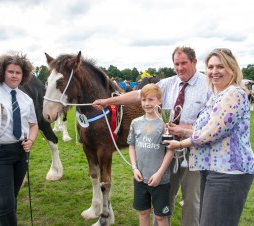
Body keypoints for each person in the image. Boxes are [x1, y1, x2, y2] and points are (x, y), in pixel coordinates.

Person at [93, 46, 211, 226]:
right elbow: (138, 94)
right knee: (164, 194)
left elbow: (212, 122)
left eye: (184, 63)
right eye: (176, 64)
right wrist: (108, 101)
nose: (179, 68)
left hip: (193, 148)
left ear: (194, 62)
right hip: (164, 147)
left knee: (191, 200)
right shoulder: (167, 83)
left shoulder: (208, 85)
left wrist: (186, 128)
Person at [165, 48, 254, 226]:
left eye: (220, 67)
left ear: (232, 68)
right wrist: (183, 131)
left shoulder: (233, 94)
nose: (214, 72)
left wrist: (180, 143)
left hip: (229, 172)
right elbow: (209, 128)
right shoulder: (218, 95)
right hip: (214, 169)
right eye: (211, 67)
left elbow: (210, 133)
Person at [0, 52, 39, 225]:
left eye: (18, 73)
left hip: (20, 153)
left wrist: (31, 140)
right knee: (4, 203)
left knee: (11, 199)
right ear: (2, 72)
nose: (14, 75)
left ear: (24, 75)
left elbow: (33, 125)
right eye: (10, 71)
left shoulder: (26, 99)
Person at [127, 83, 174, 226]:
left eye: (151, 100)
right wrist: (134, 168)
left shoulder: (165, 124)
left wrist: (159, 174)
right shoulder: (136, 123)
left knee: (160, 217)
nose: (147, 103)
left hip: (159, 180)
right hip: (140, 178)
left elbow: (170, 150)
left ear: (159, 100)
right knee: (143, 212)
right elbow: (132, 146)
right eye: (144, 100)